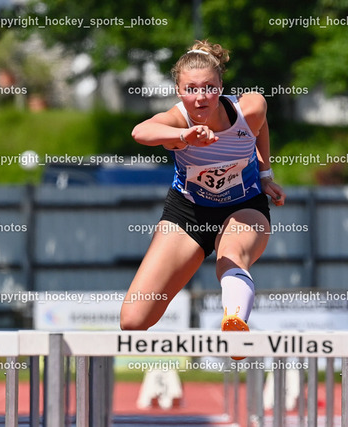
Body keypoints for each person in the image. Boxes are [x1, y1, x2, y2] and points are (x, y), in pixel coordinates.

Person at [120, 40, 286, 351]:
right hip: (189, 213)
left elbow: (259, 126)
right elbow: (141, 132)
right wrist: (183, 136)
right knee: (134, 319)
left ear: (221, 86)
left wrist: (265, 175)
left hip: (244, 207)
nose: (200, 98)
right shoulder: (177, 120)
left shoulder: (247, 108)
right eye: (191, 89)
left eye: (209, 88)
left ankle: (235, 323)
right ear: (179, 92)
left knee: (230, 257)